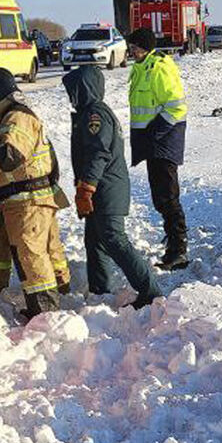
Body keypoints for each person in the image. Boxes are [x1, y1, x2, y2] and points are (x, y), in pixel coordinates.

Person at [0, 67, 69, 319]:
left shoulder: (17, 118)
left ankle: (45, 313)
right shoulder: (1, 120)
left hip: (29, 201)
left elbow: (9, 157)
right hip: (17, 201)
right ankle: (54, 295)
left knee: (31, 256)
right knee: (31, 252)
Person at [63, 66, 162, 308]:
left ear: (84, 89)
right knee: (95, 240)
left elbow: (99, 153)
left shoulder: (95, 115)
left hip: (106, 190)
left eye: (73, 90)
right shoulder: (91, 113)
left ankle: (150, 291)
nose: (70, 96)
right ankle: (100, 290)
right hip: (102, 189)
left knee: (114, 239)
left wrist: (87, 187)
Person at [125, 27, 190, 270]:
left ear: (146, 47)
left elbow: (176, 107)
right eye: (131, 48)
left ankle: (178, 250)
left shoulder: (159, 69)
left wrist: (155, 133)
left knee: (167, 197)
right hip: (153, 142)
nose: (132, 52)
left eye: (135, 48)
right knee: (160, 197)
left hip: (163, 142)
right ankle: (174, 242)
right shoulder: (140, 69)